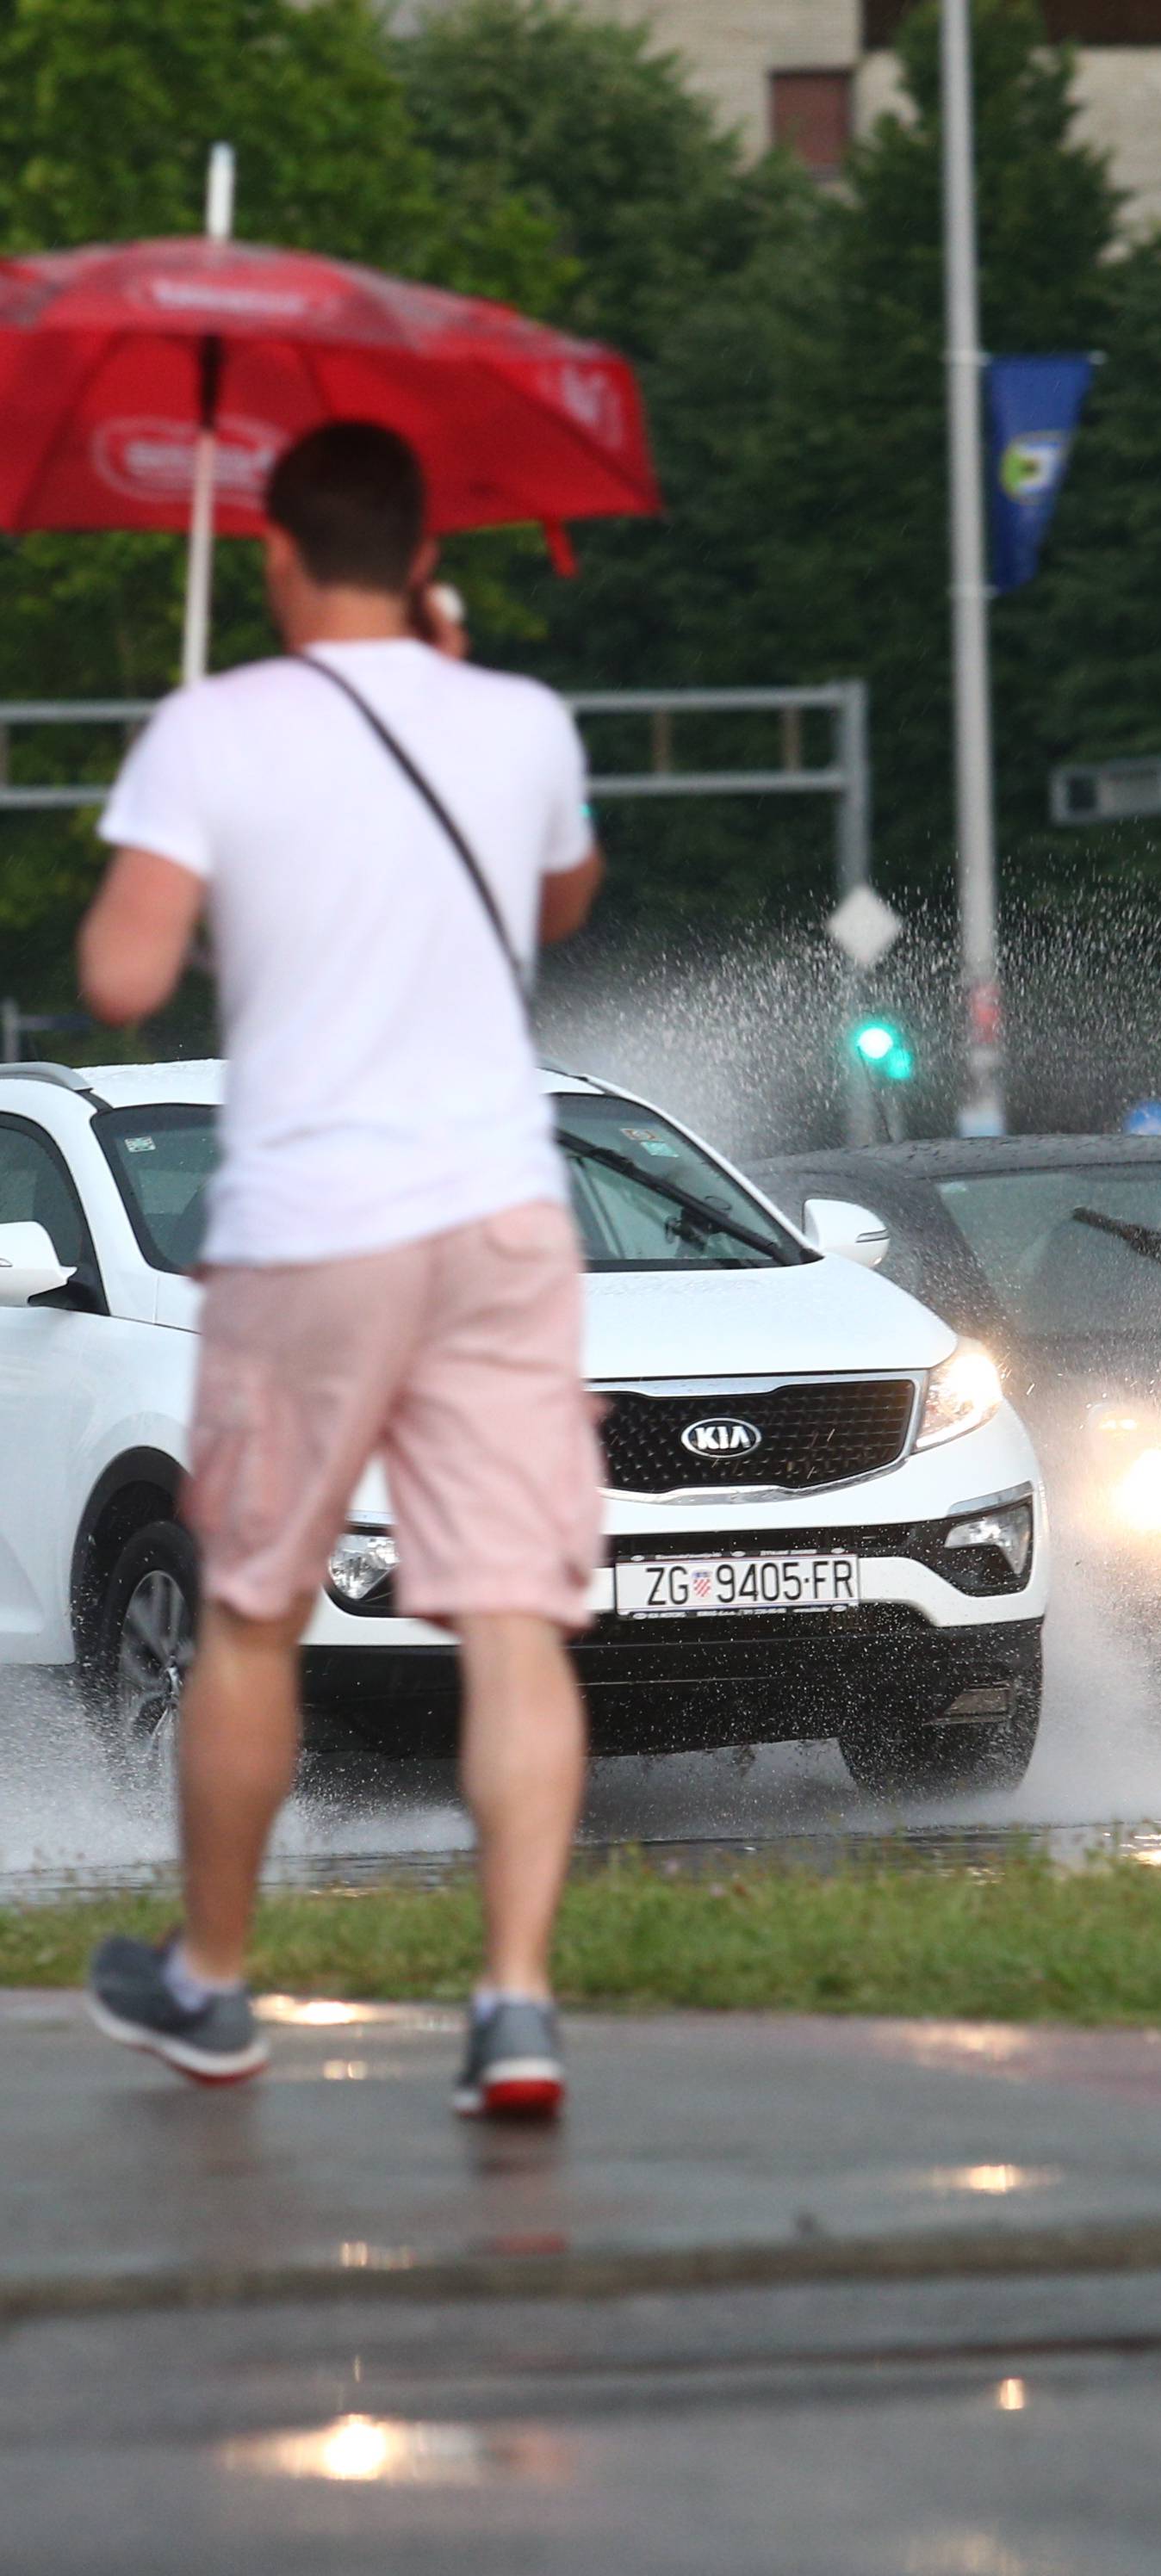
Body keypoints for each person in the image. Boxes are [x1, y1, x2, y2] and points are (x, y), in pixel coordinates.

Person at [77, 420, 605, 2120]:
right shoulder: (517, 719)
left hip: (311, 1226)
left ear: (281, 558)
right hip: (505, 1219)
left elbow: (118, 979)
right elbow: (565, 895)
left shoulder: (214, 727)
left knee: (249, 1618)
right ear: (423, 550)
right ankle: (515, 2008)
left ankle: (214, 1985)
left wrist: (206, 873)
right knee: (514, 1617)